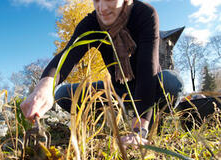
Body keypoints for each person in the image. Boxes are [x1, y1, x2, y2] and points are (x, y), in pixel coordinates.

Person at [21, 0, 183, 147]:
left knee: (172, 82)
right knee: (64, 94)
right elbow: (67, 56)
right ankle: (105, 123)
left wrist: (138, 131)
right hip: (117, 92)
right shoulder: (92, 23)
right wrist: (43, 88)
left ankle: (153, 120)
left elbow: (148, 70)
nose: (102, 8)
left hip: (151, 86)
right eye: (96, 0)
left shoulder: (145, 13)